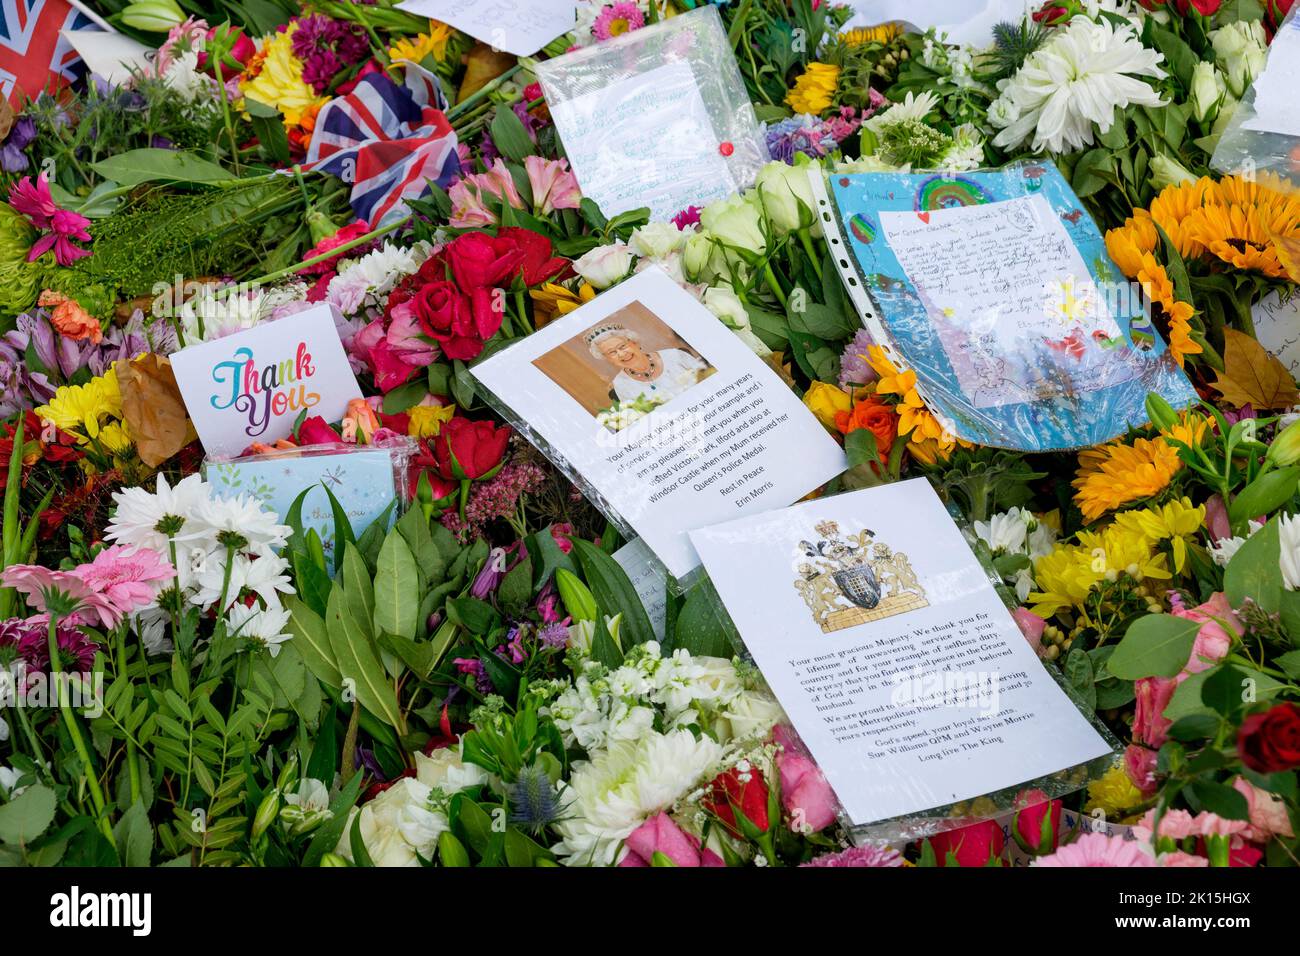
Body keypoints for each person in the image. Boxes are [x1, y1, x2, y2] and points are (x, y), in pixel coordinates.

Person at [585, 323, 709, 405]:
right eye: (612, 352)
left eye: (622, 346)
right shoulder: (621, 385)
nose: (621, 354)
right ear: (607, 359)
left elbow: (709, 379)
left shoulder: (675, 356)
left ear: (635, 342)